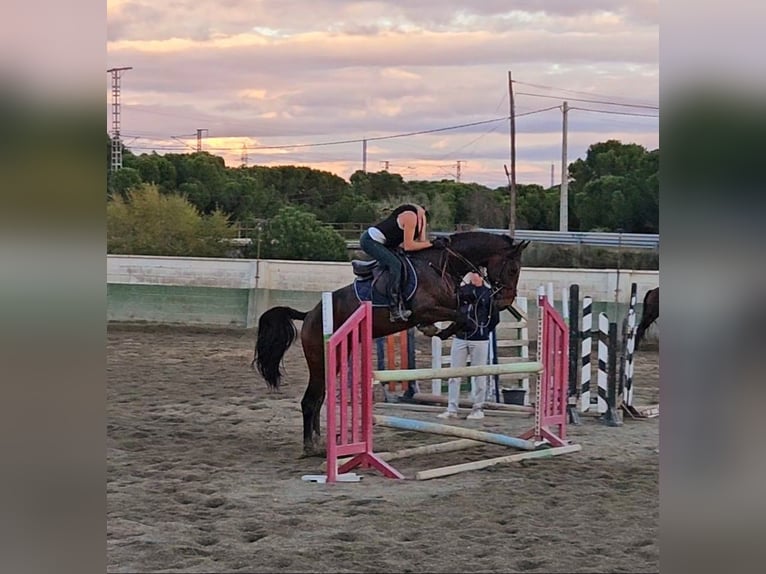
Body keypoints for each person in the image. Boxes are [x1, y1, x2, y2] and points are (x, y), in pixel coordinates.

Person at [359, 204, 446, 322]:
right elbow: (408, 246)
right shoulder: (410, 217)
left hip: (385, 244)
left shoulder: (419, 220)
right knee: (396, 265)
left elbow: (421, 243)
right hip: (370, 241)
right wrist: (432, 243)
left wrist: (433, 243)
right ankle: (394, 309)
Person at [437, 270, 500, 420]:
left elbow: (494, 318)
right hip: (461, 337)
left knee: (479, 375)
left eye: (475, 274)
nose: (472, 276)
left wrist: (483, 330)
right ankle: (452, 408)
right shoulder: (463, 291)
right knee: (454, 374)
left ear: (481, 275)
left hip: (480, 338)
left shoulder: (488, 294)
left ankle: (478, 408)